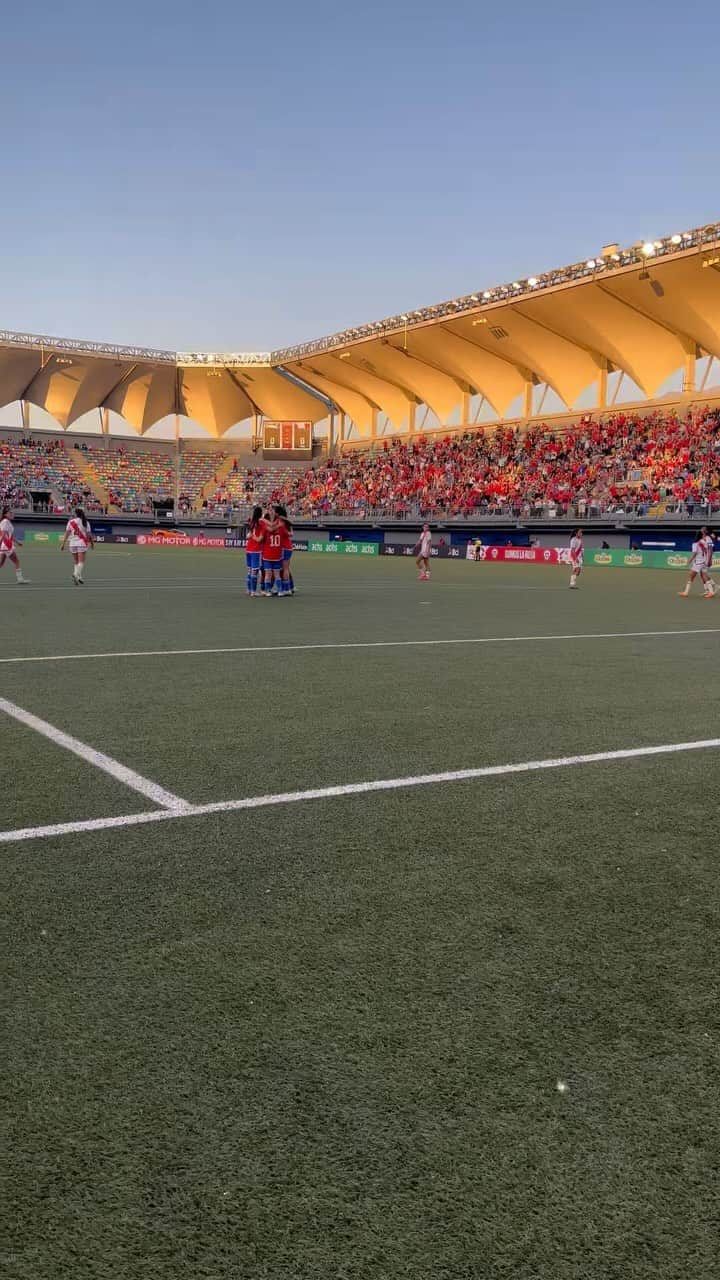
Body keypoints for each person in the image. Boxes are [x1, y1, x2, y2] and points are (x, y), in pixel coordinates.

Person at [60, 506, 94, 584]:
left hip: (72, 544)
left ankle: (79, 577)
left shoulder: (71, 522)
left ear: (76, 514)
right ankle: (75, 574)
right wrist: (92, 543)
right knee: (81, 562)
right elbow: (89, 535)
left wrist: (63, 544)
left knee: (76, 562)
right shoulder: (85, 522)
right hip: (82, 543)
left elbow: (67, 534)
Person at [678, 529, 715, 599]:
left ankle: (686, 592)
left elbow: (694, 554)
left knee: (690, 576)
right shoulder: (704, 542)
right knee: (704, 576)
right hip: (704, 561)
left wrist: (688, 562)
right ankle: (711, 592)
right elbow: (708, 550)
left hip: (698, 562)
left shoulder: (695, 544)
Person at [0, 506, 29, 583]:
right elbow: (2, 534)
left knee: (1, 564)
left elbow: (9, 536)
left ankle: (20, 579)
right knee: (17, 561)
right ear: (5, 514)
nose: (12, 513)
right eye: (10, 512)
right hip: (6, 545)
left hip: (5, 545)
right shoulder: (5, 521)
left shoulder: (7, 522)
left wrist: (17, 542)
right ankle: (20, 579)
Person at [259, 510, 283, 596]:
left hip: (268, 554)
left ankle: (267, 590)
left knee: (268, 574)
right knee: (277, 574)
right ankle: (280, 590)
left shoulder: (265, 528)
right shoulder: (281, 527)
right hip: (277, 554)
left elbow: (271, 528)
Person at [274, 503, 295, 596]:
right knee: (286, 568)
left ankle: (286, 588)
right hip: (288, 546)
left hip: (283, 547)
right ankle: (289, 587)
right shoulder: (286, 522)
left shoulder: (280, 522)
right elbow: (291, 533)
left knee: (283, 569)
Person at [244, 505, 263, 597]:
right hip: (256, 549)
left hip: (248, 549)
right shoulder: (260, 523)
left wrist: (251, 536)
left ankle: (248, 590)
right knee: (254, 571)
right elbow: (259, 539)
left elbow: (247, 536)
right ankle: (253, 591)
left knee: (249, 570)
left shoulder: (252, 522)